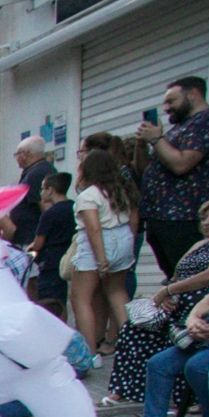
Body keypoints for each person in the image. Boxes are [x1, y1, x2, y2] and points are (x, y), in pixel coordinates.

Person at [108, 201, 209, 407]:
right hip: (178, 300)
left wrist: (169, 291)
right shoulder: (201, 243)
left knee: (176, 332)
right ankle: (127, 389)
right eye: (204, 218)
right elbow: (176, 274)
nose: (207, 222)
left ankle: (180, 397)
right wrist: (169, 294)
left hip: (207, 305)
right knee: (134, 329)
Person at [137, 75, 209, 277]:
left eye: (171, 101)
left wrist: (157, 139)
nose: (166, 108)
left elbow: (181, 164)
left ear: (193, 95)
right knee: (174, 278)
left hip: (183, 215)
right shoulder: (178, 129)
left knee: (188, 276)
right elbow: (148, 169)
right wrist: (144, 143)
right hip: (159, 217)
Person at [69, 149, 140, 356]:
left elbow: (93, 228)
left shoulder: (89, 195)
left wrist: (102, 260)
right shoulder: (124, 190)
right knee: (117, 291)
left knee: (80, 298)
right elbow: (134, 220)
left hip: (98, 244)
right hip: (124, 237)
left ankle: (89, 354)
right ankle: (132, 345)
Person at [26, 171, 77, 319]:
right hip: (68, 258)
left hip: (50, 262)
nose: (41, 192)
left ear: (50, 190)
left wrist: (31, 249)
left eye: (42, 188)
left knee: (49, 301)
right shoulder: (73, 208)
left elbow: (38, 243)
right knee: (61, 301)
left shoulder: (49, 214)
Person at [8, 137, 55, 246]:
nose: (16, 158)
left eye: (17, 154)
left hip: (31, 238)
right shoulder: (37, 170)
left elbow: (45, 207)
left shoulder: (36, 174)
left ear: (25, 154)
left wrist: (39, 240)